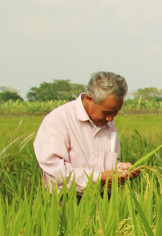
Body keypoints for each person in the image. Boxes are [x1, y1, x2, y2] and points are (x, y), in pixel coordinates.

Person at [34, 71, 139, 199]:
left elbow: (106, 162)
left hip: (105, 199)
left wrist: (119, 169)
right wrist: (99, 178)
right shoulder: (58, 120)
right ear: (89, 99)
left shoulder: (106, 120)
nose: (111, 118)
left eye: (115, 112)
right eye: (106, 112)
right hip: (69, 200)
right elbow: (54, 169)